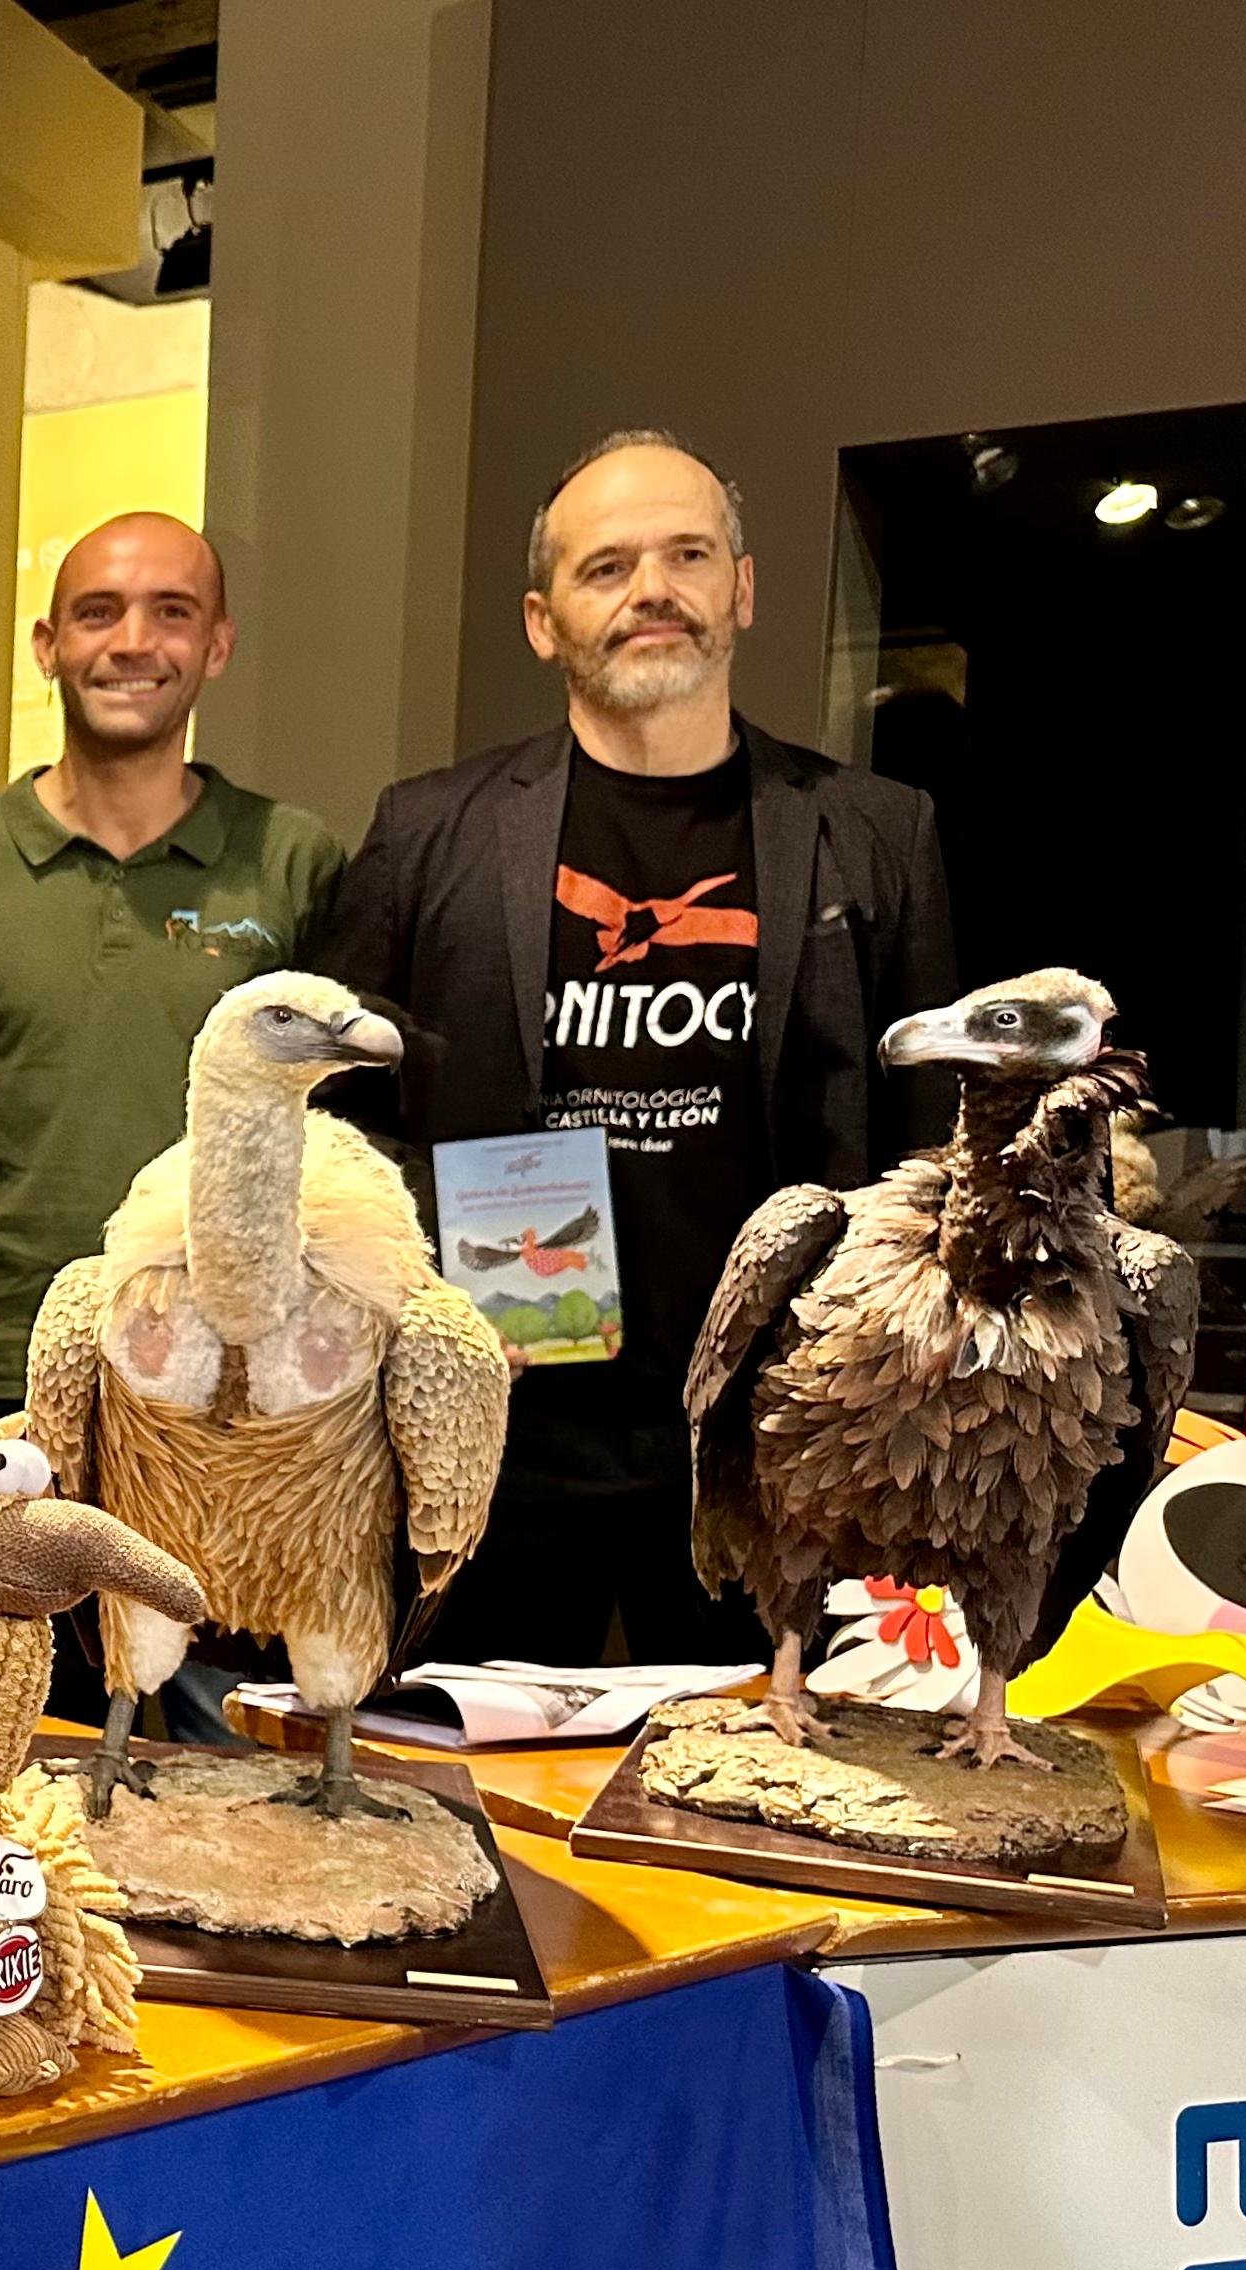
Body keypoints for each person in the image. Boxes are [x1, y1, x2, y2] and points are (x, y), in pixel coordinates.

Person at [314, 427, 958, 1664]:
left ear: (743, 589)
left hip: (775, 1448)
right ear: (542, 620)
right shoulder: (427, 833)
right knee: (464, 1812)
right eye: (606, 567)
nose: (651, 589)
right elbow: (338, 1132)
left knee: (755, 1819)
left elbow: (930, 1146)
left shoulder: (876, 834)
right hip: (501, 1441)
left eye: (687, 554)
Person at [0, 513, 343, 1416]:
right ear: (46, 645)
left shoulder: (291, 860)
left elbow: (345, 1142)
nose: (132, 643)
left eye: (172, 612)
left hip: (228, 1377)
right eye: (97, 612)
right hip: (4, 1369)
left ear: (217, 645)